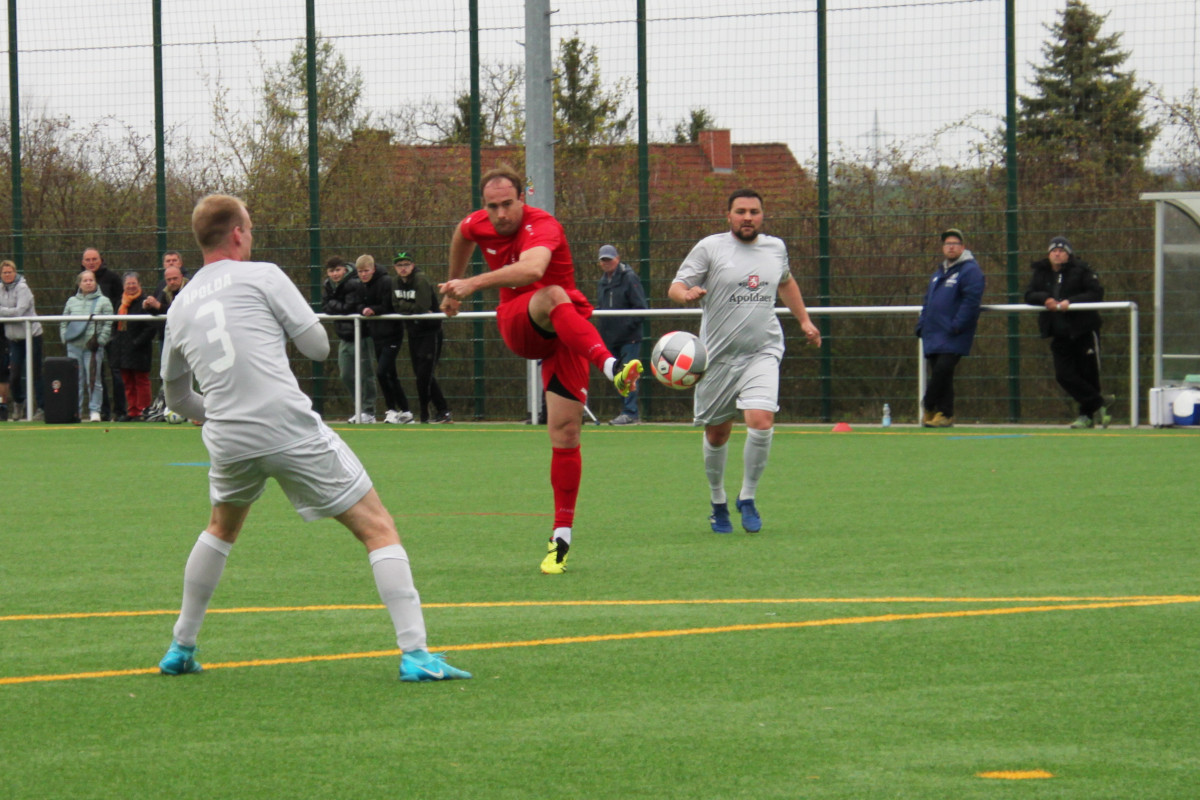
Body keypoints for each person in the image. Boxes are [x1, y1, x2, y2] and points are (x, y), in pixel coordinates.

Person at [156, 194, 470, 683]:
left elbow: (176, 397)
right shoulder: (262, 275)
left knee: (220, 528)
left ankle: (181, 646)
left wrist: (217, 413)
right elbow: (319, 348)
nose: (252, 236)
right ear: (238, 233)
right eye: (251, 228)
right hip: (286, 424)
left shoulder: (180, 305)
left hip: (227, 437)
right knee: (378, 527)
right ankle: (416, 654)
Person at [440, 165, 643, 574]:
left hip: (566, 329)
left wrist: (470, 284)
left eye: (507, 204)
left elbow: (533, 267)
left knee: (566, 433)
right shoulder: (478, 223)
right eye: (492, 206)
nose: (499, 214)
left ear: (522, 200)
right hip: (521, 322)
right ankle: (612, 368)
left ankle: (561, 539)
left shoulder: (542, 225)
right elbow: (462, 234)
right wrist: (453, 283)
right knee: (551, 294)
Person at [668, 189, 821, 534]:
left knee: (761, 420)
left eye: (754, 211)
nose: (748, 217)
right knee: (718, 433)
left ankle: (748, 496)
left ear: (762, 216)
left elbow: (786, 282)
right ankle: (718, 501)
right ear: (729, 216)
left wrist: (805, 321)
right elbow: (675, 286)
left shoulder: (775, 248)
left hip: (762, 350)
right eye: (741, 211)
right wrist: (686, 294)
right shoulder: (710, 247)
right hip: (717, 357)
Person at [1024, 235, 1112, 429]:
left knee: (1088, 374)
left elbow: (1096, 293)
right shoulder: (1041, 272)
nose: (1057, 253)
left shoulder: (1082, 270)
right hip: (1059, 332)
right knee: (1064, 375)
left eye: (1062, 251)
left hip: (1084, 330)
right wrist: (1045, 299)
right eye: (1054, 250)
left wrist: (1070, 302)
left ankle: (1086, 415)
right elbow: (1029, 295)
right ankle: (1099, 402)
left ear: (1069, 254)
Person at [916, 228, 985, 428]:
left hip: (954, 334)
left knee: (942, 371)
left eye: (955, 243)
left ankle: (929, 404)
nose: (951, 246)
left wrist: (957, 326)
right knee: (942, 375)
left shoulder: (970, 271)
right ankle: (944, 414)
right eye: (947, 244)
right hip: (933, 333)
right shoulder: (939, 273)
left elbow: (971, 301)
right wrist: (922, 325)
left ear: (963, 247)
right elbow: (927, 302)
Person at [391, 250, 451, 424]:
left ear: (413, 265)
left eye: (406, 264)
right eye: (399, 265)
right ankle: (442, 411)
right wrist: (410, 308)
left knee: (424, 375)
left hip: (430, 332)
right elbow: (396, 305)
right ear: (395, 267)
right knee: (421, 374)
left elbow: (422, 307)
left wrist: (408, 308)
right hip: (413, 332)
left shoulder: (421, 280)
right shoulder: (395, 282)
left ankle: (429, 414)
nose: (403, 268)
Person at [357, 254, 413, 424]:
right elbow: (358, 304)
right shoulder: (360, 286)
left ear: (373, 269)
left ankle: (391, 410)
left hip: (392, 333)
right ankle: (406, 412)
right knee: (390, 374)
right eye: (360, 271)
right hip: (377, 335)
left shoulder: (386, 282)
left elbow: (389, 305)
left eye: (366, 271)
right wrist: (363, 309)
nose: (363, 274)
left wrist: (373, 310)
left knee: (382, 372)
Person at [322, 255, 378, 423]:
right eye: (331, 271)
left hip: (362, 335)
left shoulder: (353, 283)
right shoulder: (327, 285)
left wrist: (333, 306)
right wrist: (335, 306)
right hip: (344, 336)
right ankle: (358, 408)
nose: (335, 274)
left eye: (337, 270)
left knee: (366, 374)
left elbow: (348, 308)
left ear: (344, 269)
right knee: (346, 374)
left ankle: (369, 412)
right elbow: (325, 306)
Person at [595, 244, 647, 425]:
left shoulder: (629, 277)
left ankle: (630, 412)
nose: (607, 263)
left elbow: (640, 308)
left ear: (617, 258)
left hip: (629, 337)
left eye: (609, 259)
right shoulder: (602, 282)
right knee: (617, 376)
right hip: (611, 338)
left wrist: (626, 327)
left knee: (629, 374)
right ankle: (626, 411)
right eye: (603, 260)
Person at [61, 270, 114, 422]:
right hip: (74, 346)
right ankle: (75, 410)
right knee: (75, 380)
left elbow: (108, 323)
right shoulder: (71, 301)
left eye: (91, 280)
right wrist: (65, 338)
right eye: (85, 280)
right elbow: (64, 321)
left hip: (92, 348)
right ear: (79, 283)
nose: (88, 283)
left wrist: (101, 340)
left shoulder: (103, 301)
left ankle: (94, 410)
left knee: (93, 379)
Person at [81, 247, 126, 421]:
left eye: (94, 259)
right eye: (88, 260)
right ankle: (103, 411)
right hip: (91, 336)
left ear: (101, 260)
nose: (91, 263)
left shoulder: (113, 278)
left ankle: (121, 411)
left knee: (116, 371)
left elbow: (119, 302)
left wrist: (109, 324)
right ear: (83, 262)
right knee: (97, 372)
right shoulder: (80, 280)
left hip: (112, 333)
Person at [0, 260, 45, 420]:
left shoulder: (23, 288)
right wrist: (8, 312)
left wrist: (2, 311)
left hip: (32, 336)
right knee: (14, 375)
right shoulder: (0, 289)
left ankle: (42, 407)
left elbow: (20, 311)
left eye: (10, 272)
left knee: (36, 372)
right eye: (4, 272)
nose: (7, 275)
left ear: (15, 272)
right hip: (13, 339)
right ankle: (19, 402)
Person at [112, 271, 156, 421]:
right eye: (128, 284)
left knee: (140, 380)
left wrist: (137, 342)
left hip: (140, 349)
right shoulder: (120, 303)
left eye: (133, 283)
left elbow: (150, 327)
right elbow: (114, 324)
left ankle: (143, 411)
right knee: (127, 381)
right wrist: (116, 341)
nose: (131, 286)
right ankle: (132, 411)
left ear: (139, 285)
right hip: (122, 349)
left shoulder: (145, 303)